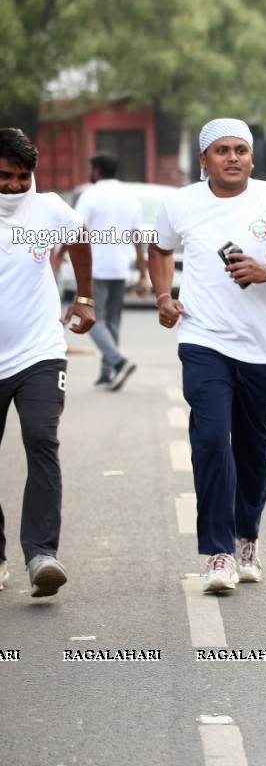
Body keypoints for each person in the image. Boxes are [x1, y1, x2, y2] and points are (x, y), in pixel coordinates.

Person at [150, 119, 266, 594]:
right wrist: (163, 295)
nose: (233, 157)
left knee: (252, 446)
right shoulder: (180, 203)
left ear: (253, 157)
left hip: (263, 344)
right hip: (203, 339)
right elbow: (159, 247)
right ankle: (217, 553)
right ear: (204, 158)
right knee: (211, 440)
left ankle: (247, 537)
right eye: (222, 150)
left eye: (242, 150)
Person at [0, 127, 95, 597]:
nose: (16, 186)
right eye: (5, 177)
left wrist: (84, 298)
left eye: (23, 176)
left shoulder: (50, 207)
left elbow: (80, 238)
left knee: (41, 439)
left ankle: (41, 555)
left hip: (39, 352)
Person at [74, 152, 143, 391]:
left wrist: (62, 253)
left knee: (94, 320)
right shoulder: (130, 197)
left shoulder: (89, 196)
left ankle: (118, 362)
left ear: (97, 170)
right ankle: (107, 373)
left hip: (95, 266)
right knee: (112, 322)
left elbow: (77, 230)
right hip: (120, 267)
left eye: (91, 169)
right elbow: (137, 237)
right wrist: (143, 274)